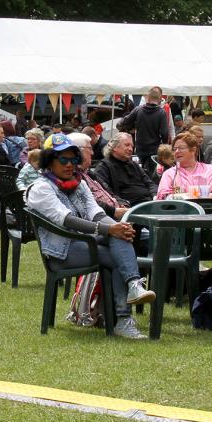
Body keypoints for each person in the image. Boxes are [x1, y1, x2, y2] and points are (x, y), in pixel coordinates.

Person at [26, 133, 157, 340]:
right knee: (116, 253)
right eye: (63, 159)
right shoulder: (41, 188)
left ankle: (133, 288)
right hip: (62, 250)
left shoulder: (79, 184)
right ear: (49, 162)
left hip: (85, 242)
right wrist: (109, 230)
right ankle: (123, 317)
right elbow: (67, 220)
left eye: (74, 159)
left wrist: (118, 227)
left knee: (120, 237)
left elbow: (97, 213)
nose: (70, 165)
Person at [155, 132, 212, 200]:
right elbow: (163, 197)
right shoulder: (170, 174)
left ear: (193, 150)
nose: (177, 152)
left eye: (181, 148)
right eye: (174, 149)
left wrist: (202, 197)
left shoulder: (211, 170)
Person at [92, 132, 157, 208]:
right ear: (114, 147)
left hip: (150, 203)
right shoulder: (104, 167)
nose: (130, 149)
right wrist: (121, 203)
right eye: (127, 145)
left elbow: (149, 183)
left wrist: (155, 195)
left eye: (132, 146)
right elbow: (105, 192)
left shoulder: (134, 164)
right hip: (129, 209)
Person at [119, 86, 173, 177]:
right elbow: (165, 134)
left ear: (148, 97)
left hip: (139, 150)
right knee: (153, 177)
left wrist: (130, 129)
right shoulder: (161, 112)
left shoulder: (138, 109)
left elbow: (122, 123)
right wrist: (165, 147)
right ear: (160, 98)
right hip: (154, 151)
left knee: (138, 176)